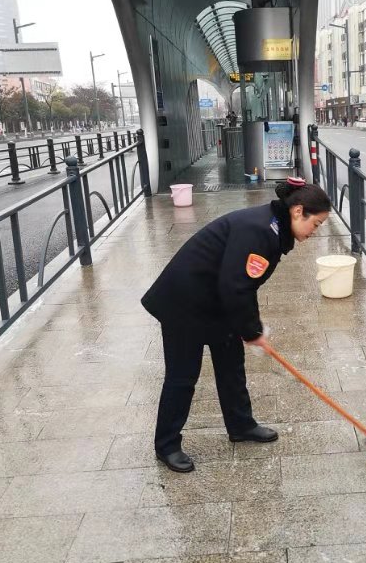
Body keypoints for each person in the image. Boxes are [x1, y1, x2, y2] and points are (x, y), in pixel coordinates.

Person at [141, 177, 332, 473]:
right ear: (298, 211)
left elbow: (243, 285)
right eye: (316, 224)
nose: (314, 231)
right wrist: (252, 331)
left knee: (231, 365)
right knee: (182, 377)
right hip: (184, 303)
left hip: (215, 301)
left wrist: (250, 327)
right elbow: (236, 287)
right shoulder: (261, 231)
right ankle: (166, 445)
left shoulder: (273, 227)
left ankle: (241, 425)